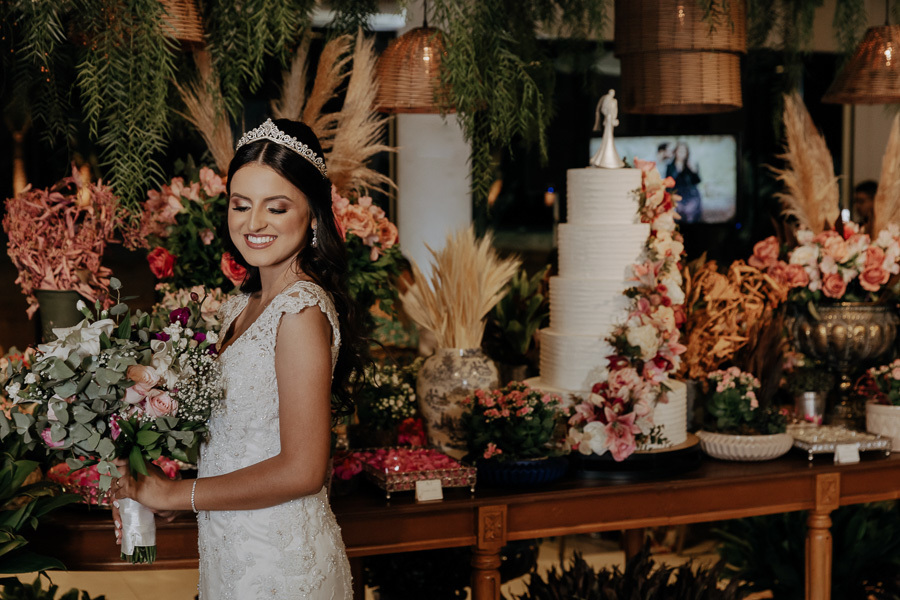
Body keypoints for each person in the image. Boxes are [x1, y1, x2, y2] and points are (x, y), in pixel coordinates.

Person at [111, 119, 365, 598]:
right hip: (231, 551)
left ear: (312, 214)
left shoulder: (300, 312)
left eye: (277, 207)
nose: (253, 223)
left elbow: (304, 469)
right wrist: (180, 487)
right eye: (241, 205)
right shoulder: (241, 306)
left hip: (282, 564)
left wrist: (175, 494)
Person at [665, 141, 702, 224]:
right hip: (676, 195)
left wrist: (694, 171)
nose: (681, 153)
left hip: (691, 196)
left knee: (690, 213)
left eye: (684, 151)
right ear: (675, 152)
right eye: (679, 151)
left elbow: (697, 182)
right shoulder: (670, 166)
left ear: (687, 153)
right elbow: (668, 184)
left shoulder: (691, 165)